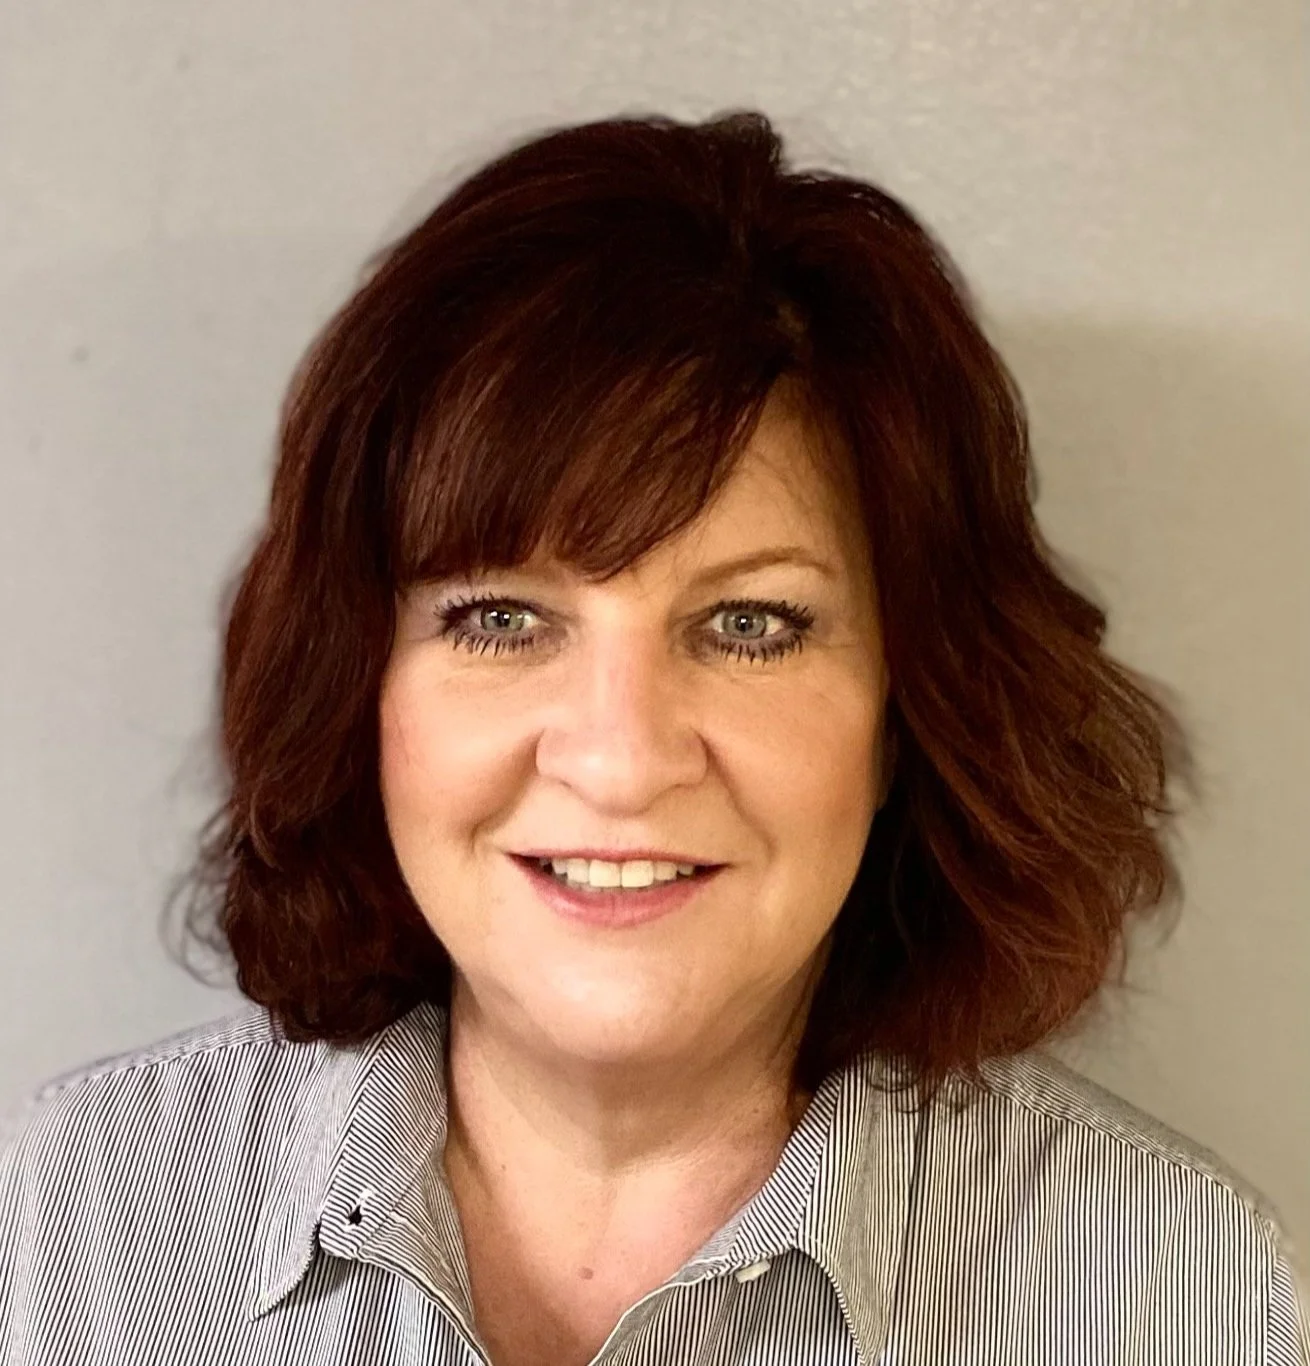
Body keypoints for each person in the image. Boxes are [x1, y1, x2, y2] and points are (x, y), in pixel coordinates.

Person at [1, 108, 1306, 1366]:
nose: (619, 760)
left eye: (750, 623)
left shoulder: (1176, 1297)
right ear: (355, 686)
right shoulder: (69, 1232)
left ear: (911, 707)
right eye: (502, 616)